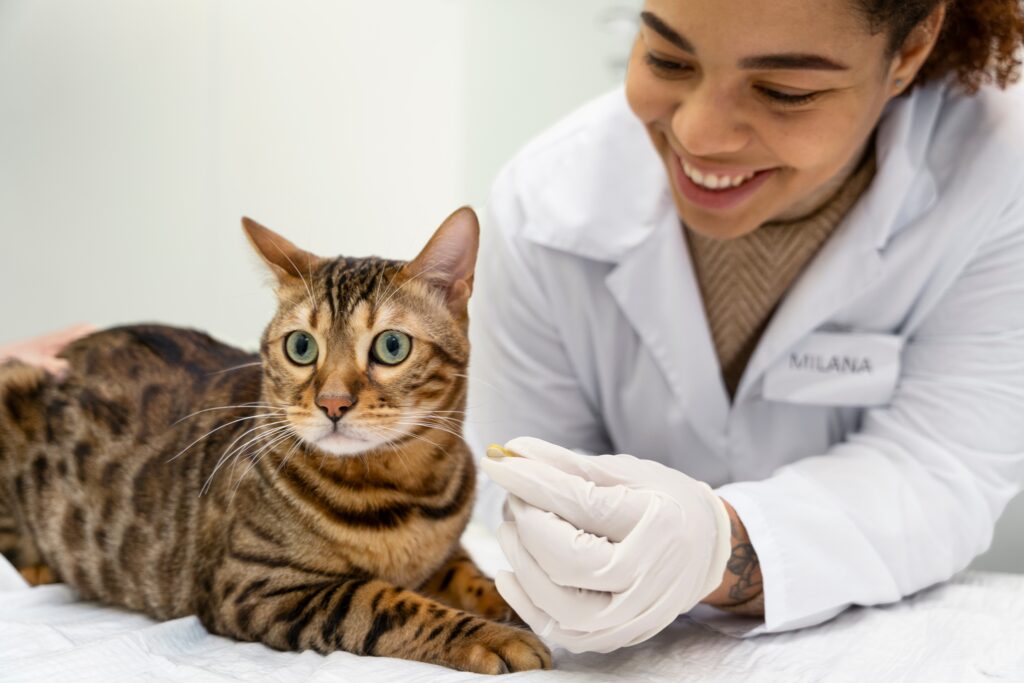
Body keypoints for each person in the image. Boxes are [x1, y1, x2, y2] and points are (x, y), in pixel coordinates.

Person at [465, 0, 1024, 653]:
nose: (698, 134)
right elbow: (526, 491)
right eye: (667, 58)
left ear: (908, 50)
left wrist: (722, 546)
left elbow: (938, 466)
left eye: (785, 91)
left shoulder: (998, 175)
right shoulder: (544, 208)